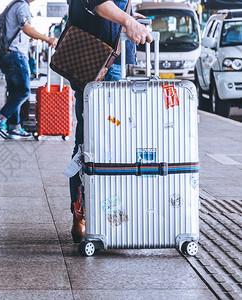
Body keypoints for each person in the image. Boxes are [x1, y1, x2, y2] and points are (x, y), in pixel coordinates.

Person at [66, 0, 152, 242]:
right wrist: (129, 21)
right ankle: (84, 213)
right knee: (94, 142)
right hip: (95, 58)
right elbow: (96, 3)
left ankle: (106, 215)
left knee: (114, 142)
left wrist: (130, 27)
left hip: (111, 57)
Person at [0, 0, 58, 140]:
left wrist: (28, 38)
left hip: (7, 55)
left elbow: (18, 31)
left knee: (15, 92)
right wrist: (48, 39)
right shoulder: (22, 6)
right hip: (16, 56)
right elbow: (26, 28)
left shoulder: (13, 5)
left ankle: (14, 128)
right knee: (23, 91)